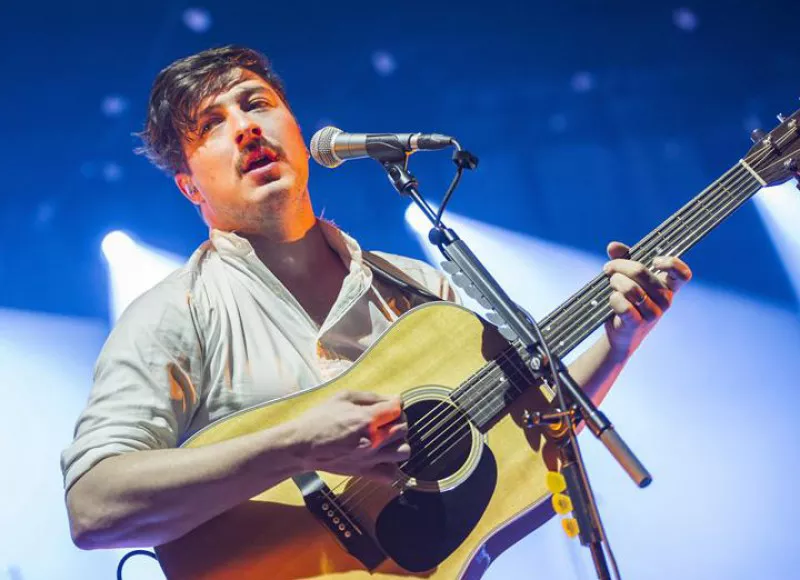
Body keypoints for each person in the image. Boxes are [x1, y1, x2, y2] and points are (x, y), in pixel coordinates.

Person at [62, 45, 692, 551]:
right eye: (212, 125)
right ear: (189, 188)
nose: (246, 127)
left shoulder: (419, 289)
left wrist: (618, 344)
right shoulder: (172, 314)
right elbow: (93, 508)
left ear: (297, 130)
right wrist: (295, 445)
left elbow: (537, 427)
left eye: (256, 104)